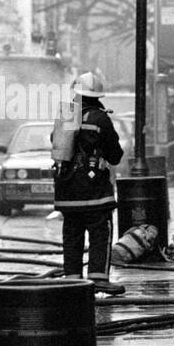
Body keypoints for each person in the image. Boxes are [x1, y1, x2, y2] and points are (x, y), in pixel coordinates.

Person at [54, 71, 125, 295]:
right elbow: (115, 155)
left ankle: (72, 280)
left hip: (67, 190)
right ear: (97, 96)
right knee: (100, 232)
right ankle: (99, 277)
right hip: (95, 192)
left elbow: (56, 145)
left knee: (72, 234)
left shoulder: (66, 116)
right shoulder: (100, 118)